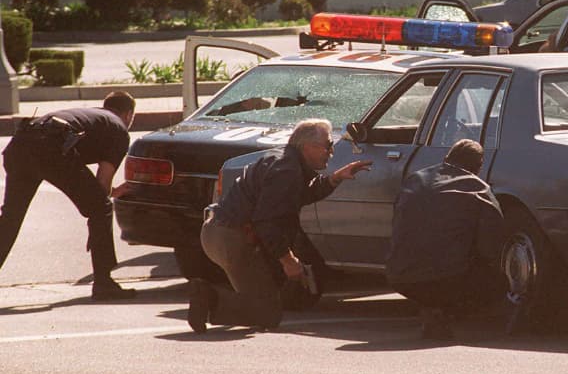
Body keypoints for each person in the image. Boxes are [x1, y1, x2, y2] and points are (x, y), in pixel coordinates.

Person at [189, 119, 371, 334]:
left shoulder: (286, 160)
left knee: (265, 299)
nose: (331, 152)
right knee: (267, 314)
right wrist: (288, 260)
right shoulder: (286, 170)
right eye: (328, 145)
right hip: (231, 237)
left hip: (222, 232)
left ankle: (214, 297)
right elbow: (267, 221)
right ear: (307, 147)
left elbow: (299, 196)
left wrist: (335, 179)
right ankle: (209, 296)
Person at [0, 91, 138, 300]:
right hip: (50, 149)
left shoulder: (92, 116)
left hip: (20, 144)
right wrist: (99, 221)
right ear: (128, 115)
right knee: (101, 208)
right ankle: (103, 283)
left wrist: (111, 194)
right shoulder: (118, 130)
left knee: (11, 218)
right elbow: (101, 187)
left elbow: (97, 189)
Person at [386, 139, 507, 340]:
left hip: (399, 276)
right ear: (479, 166)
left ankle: (433, 308)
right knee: (497, 280)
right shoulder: (478, 189)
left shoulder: (415, 180)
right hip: (449, 278)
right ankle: (448, 311)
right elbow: (492, 245)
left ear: (446, 158)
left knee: (432, 269)